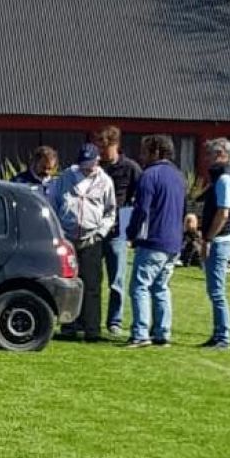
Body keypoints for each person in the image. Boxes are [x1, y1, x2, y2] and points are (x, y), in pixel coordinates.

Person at [124, 135, 186, 349]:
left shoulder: (149, 176)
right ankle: (162, 331)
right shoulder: (179, 176)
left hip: (153, 240)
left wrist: (131, 233)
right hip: (174, 241)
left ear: (156, 152)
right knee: (161, 287)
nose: (141, 156)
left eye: (144, 152)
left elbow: (142, 209)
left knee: (139, 286)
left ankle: (140, 332)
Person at [52, 143, 116, 342]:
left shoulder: (105, 182)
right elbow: (53, 203)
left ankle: (92, 329)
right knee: (69, 283)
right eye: (84, 163)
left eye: (90, 162)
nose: (87, 167)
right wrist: (59, 232)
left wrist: (100, 233)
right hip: (68, 239)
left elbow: (110, 211)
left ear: (97, 160)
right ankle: (69, 326)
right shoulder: (65, 178)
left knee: (92, 285)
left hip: (91, 240)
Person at [93, 125, 143, 337]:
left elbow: (138, 198)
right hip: (95, 229)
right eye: (99, 148)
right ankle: (89, 320)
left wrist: (129, 229)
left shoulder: (130, 168)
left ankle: (115, 321)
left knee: (117, 280)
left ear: (116, 145)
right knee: (92, 279)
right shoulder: (94, 167)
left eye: (105, 148)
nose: (102, 153)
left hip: (117, 231)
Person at [200, 137, 230, 350]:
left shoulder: (224, 179)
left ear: (221, 154)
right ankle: (218, 333)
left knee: (217, 290)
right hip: (220, 237)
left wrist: (208, 238)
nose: (207, 159)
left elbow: (223, 212)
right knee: (214, 289)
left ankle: (223, 336)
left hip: (221, 239)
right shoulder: (221, 177)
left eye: (211, 155)